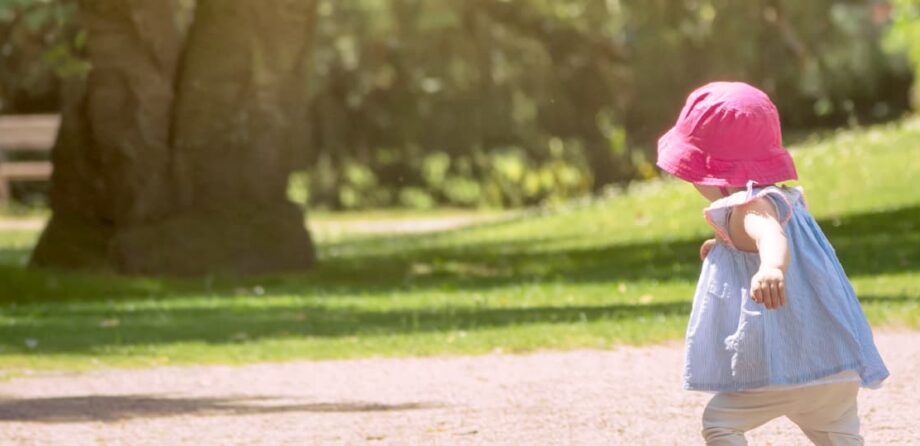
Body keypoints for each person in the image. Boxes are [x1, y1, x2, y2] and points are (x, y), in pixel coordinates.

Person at [656, 81, 889, 445]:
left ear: (715, 173)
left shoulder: (748, 207)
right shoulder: (787, 198)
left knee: (720, 423)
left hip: (787, 366)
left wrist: (771, 268)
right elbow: (770, 234)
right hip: (833, 362)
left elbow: (770, 236)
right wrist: (722, 248)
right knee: (838, 436)